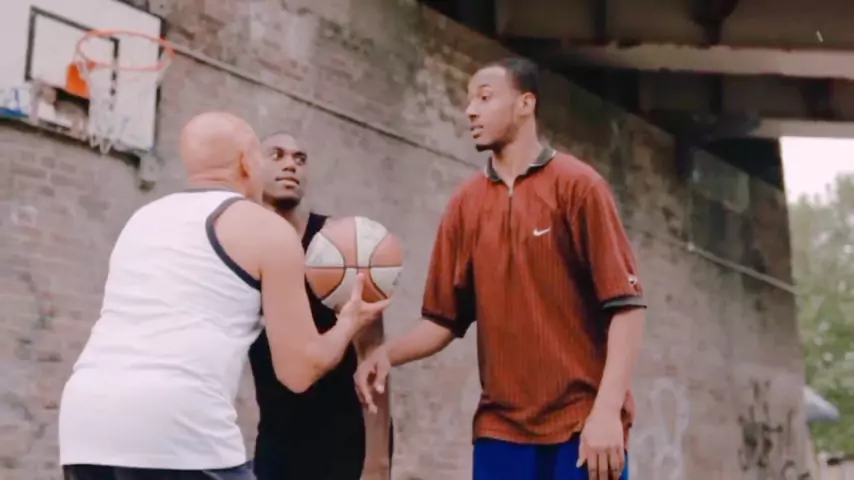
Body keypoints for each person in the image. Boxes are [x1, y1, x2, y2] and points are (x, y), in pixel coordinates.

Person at [355, 57, 646, 480]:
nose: (470, 111)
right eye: (469, 100)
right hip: (501, 428)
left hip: (582, 423)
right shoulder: (464, 205)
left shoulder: (579, 186)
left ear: (526, 103)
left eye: (485, 98)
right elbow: (442, 321)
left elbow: (627, 307)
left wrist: (606, 412)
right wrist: (384, 355)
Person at [57, 112, 388, 480]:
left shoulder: (142, 220)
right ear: (248, 163)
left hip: (84, 426)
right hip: (176, 427)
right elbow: (299, 371)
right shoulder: (267, 229)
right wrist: (349, 323)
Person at [249, 131, 393, 480]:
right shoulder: (245, 247)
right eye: (277, 155)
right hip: (275, 442)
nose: (290, 165)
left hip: (342, 444)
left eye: (299, 159)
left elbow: (373, 354)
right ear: (251, 166)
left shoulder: (340, 244)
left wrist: (377, 461)